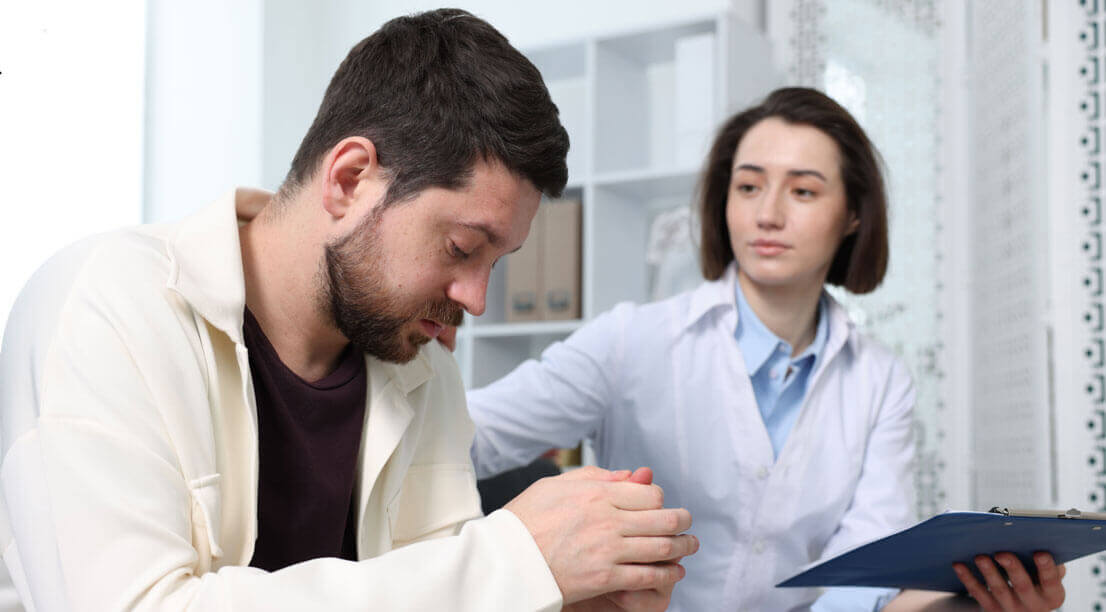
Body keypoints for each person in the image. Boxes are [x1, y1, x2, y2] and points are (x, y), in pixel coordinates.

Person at [0, 9, 699, 611]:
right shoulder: (107, 305)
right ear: (350, 179)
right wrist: (512, 563)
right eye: (461, 247)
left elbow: (438, 594)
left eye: (496, 262)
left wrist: (560, 595)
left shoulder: (421, 370)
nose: (476, 299)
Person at [463, 87, 1066, 611]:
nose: (768, 214)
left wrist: (981, 603)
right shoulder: (633, 342)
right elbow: (472, 437)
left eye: (803, 192)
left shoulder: (880, 381)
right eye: (748, 186)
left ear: (853, 214)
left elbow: (864, 585)